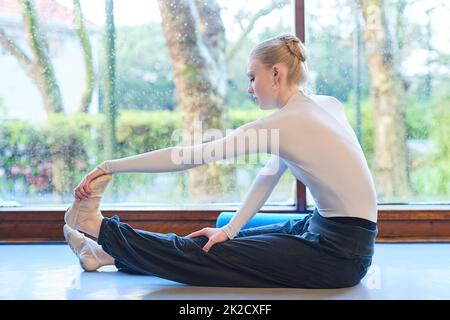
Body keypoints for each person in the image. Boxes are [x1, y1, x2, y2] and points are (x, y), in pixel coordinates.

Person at [64, 34, 378, 288]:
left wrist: (110, 166)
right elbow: (268, 175)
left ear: (276, 74)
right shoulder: (327, 105)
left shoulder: (284, 124)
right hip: (326, 230)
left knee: (209, 255)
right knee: (216, 241)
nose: (249, 88)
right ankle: (102, 255)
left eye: (253, 77)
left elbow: (188, 157)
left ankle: (97, 227)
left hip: (338, 255)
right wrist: (230, 228)